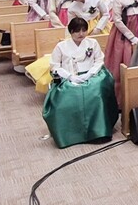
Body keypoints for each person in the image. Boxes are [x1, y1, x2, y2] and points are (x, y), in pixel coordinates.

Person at [42, 18, 119, 148]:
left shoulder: (92, 42)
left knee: (96, 92)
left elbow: (99, 60)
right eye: (77, 31)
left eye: (84, 30)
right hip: (69, 77)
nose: (81, 34)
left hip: (91, 75)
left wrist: (90, 73)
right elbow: (55, 66)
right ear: (71, 32)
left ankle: (98, 131)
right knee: (67, 96)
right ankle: (71, 134)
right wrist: (70, 77)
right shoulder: (61, 46)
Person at [103, 0, 138, 105]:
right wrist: (131, 37)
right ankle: (123, 101)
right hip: (124, 35)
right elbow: (117, 20)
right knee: (123, 65)